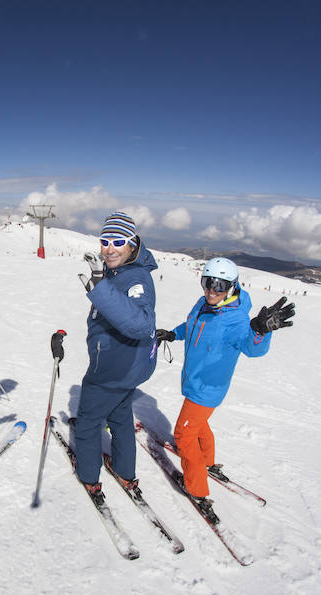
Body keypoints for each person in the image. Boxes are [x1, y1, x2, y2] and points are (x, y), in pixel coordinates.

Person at [156, 257, 295, 516]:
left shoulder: (236, 321)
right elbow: (193, 325)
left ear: (232, 287)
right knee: (199, 425)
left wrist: (261, 331)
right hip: (196, 382)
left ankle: (196, 488)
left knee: (184, 435)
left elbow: (252, 348)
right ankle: (206, 461)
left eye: (219, 285)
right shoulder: (205, 304)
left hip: (207, 388)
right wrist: (174, 334)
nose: (211, 290)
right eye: (207, 282)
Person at [74, 211, 158, 500]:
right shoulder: (120, 270)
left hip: (112, 368)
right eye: (105, 241)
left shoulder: (136, 278)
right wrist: (104, 281)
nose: (109, 249)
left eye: (118, 241)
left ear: (132, 244)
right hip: (128, 367)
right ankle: (124, 470)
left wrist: (99, 287)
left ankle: (88, 476)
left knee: (87, 423)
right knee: (120, 416)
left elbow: (140, 324)